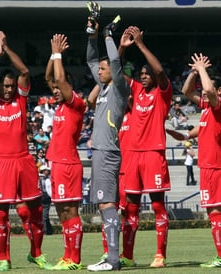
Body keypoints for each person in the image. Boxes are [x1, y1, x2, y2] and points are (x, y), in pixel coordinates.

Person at [0, 31, 51, 271]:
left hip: (23, 161)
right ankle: (4, 259)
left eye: (11, 86)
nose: (9, 90)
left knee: (36, 210)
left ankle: (36, 254)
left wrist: (6, 48)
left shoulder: (20, 99)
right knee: (1, 213)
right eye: (5, 86)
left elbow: (25, 72)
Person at [169, 53, 221, 267]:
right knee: (218, 210)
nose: (203, 93)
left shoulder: (220, 106)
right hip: (208, 165)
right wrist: (194, 72)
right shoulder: (206, 110)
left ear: (219, 91)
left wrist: (203, 69)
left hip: (215, 165)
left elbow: (210, 91)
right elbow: (186, 91)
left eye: (206, 89)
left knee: (215, 211)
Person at [119, 25, 173, 268]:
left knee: (157, 205)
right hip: (132, 156)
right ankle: (127, 256)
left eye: (146, 73)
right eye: (140, 73)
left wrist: (141, 44)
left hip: (153, 153)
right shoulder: (137, 90)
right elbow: (115, 71)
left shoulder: (163, 94)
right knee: (129, 208)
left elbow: (160, 71)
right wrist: (121, 47)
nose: (142, 75)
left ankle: (160, 254)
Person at [85, 5, 130, 270]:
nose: (99, 71)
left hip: (107, 151)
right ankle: (112, 257)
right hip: (102, 151)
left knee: (106, 204)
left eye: (104, 69)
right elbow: (91, 61)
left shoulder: (119, 88)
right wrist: (92, 34)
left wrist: (109, 36)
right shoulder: (103, 88)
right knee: (105, 204)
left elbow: (113, 62)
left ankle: (113, 259)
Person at [44, 34, 85, 270]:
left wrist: (59, 55)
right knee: (61, 213)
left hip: (69, 164)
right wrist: (52, 54)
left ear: (68, 87)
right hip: (57, 164)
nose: (55, 89)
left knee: (70, 211)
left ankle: (75, 259)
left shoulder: (75, 103)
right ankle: (67, 256)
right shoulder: (60, 104)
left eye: (60, 88)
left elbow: (58, 77)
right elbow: (50, 77)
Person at [39, 165, 52, 235]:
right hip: (40, 198)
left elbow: (49, 190)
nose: (48, 172)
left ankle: (46, 231)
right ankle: (48, 230)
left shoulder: (48, 179)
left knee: (45, 215)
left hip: (46, 198)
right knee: (43, 216)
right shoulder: (40, 179)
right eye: (46, 170)